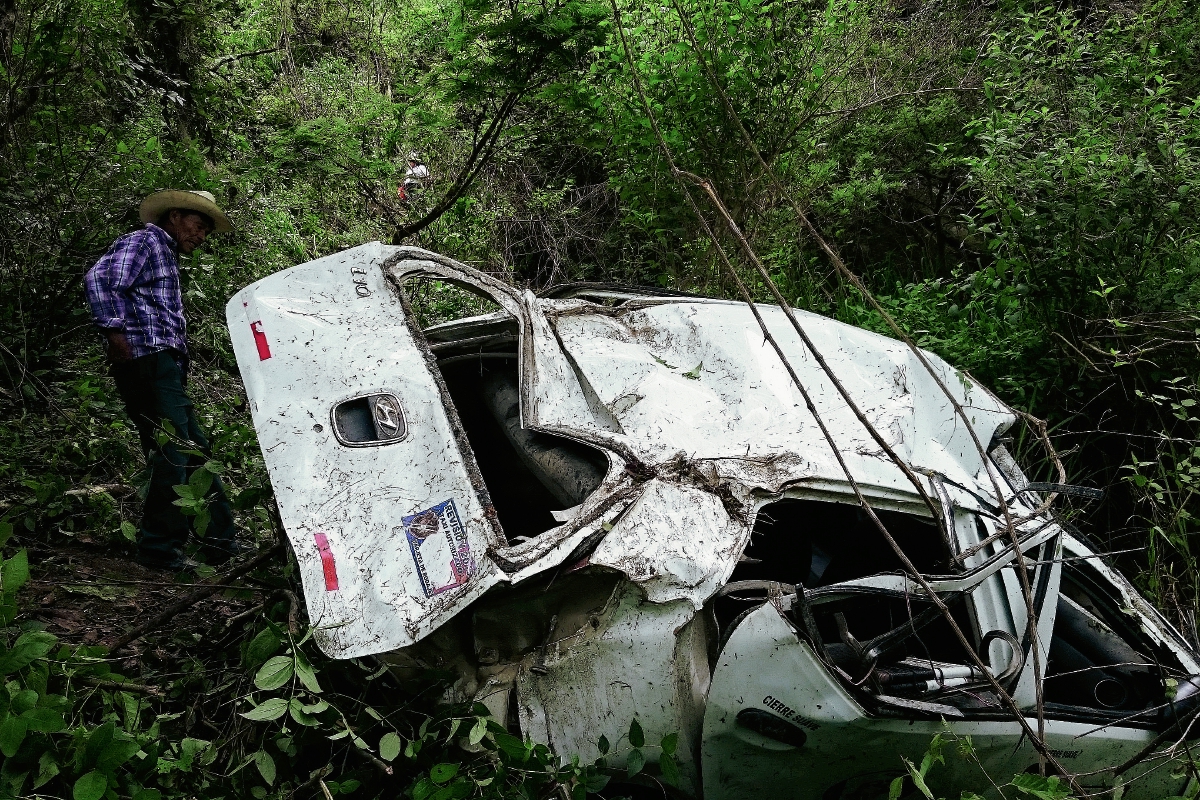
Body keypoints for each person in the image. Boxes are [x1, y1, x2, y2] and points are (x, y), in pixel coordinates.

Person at [85, 190, 246, 573]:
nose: (202, 236)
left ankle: (222, 546)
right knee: (175, 450)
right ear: (175, 215)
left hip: (162, 364)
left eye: (206, 230)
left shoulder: (165, 253)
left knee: (196, 453)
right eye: (199, 225)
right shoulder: (146, 241)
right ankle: (159, 549)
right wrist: (115, 332)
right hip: (146, 358)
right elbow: (100, 280)